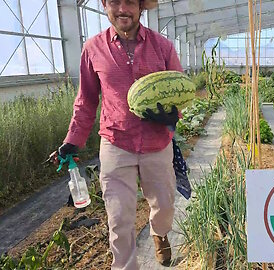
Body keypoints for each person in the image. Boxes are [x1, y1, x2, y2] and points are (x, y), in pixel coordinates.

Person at [53, 0, 182, 268]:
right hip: (115, 143)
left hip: (157, 143)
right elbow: (86, 101)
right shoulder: (93, 49)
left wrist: (173, 115)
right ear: (105, 5)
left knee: (165, 205)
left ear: (141, 7)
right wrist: (72, 141)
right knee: (119, 218)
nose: (123, 8)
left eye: (130, 2)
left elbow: (181, 91)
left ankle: (159, 233)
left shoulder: (163, 46)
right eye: (115, 1)